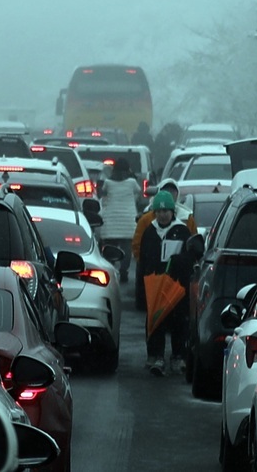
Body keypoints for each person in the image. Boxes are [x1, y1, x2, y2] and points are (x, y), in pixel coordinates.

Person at [139, 190, 193, 376]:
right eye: (159, 212)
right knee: (156, 320)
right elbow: (143, 260)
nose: (163, 215)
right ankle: (155, 355)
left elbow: (191, 257)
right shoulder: (150, 232)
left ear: (173, 212)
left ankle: (178, 355)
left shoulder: (182, 231)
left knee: (179, 321)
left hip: (176, 285)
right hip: (155, 284)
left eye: (166, 211)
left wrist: (180, 261)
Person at [131, 178, 199, 310]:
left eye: (172, 191)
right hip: (154, 279)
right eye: (165, 190)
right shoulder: (148, 222)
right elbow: (138, 246)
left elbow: (192, 247)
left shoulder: (186, 219)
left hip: (178, 281)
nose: (162, 215)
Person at [98, 157, 141, 284]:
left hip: (111, 221)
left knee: (110, 248)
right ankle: (124, 271)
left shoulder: (108, 183)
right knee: (127, 249)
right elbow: (139, 192)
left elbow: (103, 193)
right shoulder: (132, 182)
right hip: (127, 221)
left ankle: (110, 270)